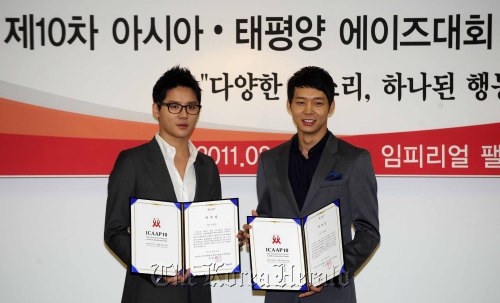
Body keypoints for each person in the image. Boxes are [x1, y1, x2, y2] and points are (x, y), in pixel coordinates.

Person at [240, 66, 380, 303]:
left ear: (331, 107)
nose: (308, 111)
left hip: (332, 294)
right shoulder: (269, 161)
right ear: (289, 105)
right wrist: (255, 235)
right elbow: (268, 219)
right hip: (280, 293)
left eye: (318, 103)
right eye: (300, 102)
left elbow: (369, 232)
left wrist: (332, 273)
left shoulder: (354, 159)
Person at [104, 66, 221, 303]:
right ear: (156, 110)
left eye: (191, 107)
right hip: (150, 294)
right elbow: (114, 230)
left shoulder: (207, 166)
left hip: (197, 293)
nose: (184, 114)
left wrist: (229, 238)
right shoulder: (132, 161)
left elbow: (211, 228)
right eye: (174, 106)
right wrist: (154, 267)